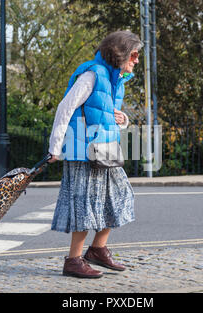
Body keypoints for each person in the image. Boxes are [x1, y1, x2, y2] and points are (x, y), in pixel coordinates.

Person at [47, 30, 142, 278]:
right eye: (134, 54)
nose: (137, 60)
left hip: (106, 151)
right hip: (83, 153)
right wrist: (55, 147)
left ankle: (97, 249)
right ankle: (73, 261)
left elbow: (105, 114)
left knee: (121, 197)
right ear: (119, 53)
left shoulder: (114, 80)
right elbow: (65, 108)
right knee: (85, 207)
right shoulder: (91, 75)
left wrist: (123, 120)